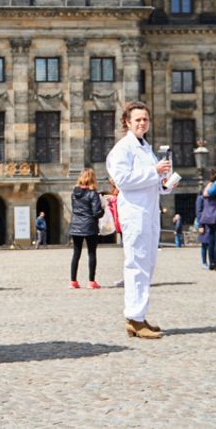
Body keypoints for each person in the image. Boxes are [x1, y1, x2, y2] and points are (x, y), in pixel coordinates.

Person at [106, 100, 177, 339]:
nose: (142, 123)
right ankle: (134, 319)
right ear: (127, 122)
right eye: (137, 119)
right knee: (136, 263)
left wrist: (165, 184)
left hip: (149, 210)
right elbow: (123, 180)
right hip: (134, 212)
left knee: (147, 263)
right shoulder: (122, 149)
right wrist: (154, 172)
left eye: (145, 119)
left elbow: (151, 183)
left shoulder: (146, 148)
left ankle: (139, 314)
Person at [67, 168, 105, 289]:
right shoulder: (92, 193)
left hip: (76, 224)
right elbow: (96, 213)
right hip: (89, 226)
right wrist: (103, 207)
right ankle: (91, 282)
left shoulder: (74, 193)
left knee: (76, 254)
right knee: (91, 253)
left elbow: (75, 209)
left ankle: (73, 281)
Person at [196, 172, 216, 271]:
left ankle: (211, 262)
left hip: (207, 217)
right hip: (215, 216)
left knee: (211, 241)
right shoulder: (215, 188)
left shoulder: (206, 188)